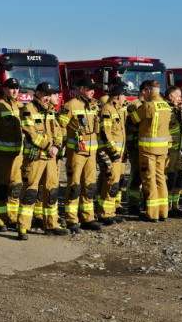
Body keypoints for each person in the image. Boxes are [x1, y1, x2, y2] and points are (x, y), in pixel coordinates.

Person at [19, 82, 68, 237]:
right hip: (36, 159)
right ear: (38, 93)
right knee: (31, 192)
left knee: (52, 191)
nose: (47, 97)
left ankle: (51, 224)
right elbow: (31, 133)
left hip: (51, 159)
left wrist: (57, 146)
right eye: (45, 94)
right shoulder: (28, 110)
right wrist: (49, 146)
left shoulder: (51, 111)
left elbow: (58, 132)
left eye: (49, 94)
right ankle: (23, 227)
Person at [60, 79, 103, 232]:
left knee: (90, 186)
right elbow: (61, 127)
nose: (93, 92)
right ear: (81, 88)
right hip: (76, 154)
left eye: (94, 89)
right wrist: (61, 149)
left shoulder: (94, 105)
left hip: (91, 154)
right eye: (90, 89)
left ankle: (88, 218)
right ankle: (71, 220)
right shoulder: (70, 105)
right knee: (74, 187)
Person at [131, 80, 172, 222]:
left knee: (149, 179)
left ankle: (152, 214)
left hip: (148, 150)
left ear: (148, 91)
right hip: (163, 150)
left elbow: (133, 119)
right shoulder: (166, 105)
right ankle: (163, 212)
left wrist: (132, 109)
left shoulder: (148, 106)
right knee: (161, 179)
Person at [0, 78, 24, 233]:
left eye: (17, 88)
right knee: (1, 186)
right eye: (11, 88)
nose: (15, 91)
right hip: (1, 155)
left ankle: (13, 217)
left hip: (18, 155)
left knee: (16, 186)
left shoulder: (22, 107)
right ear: (4, 89)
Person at [95, 84, 127, 224]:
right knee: (110, 182)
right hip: (110, 153)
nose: (125, 99)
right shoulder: (108, 109)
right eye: (124, 96)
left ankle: (110, 212)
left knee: (114, 183)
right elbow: (106, 133)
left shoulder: (117, 109)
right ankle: (104, 214)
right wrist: (113, 152)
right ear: (119, 96)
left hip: (117, 155)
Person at [165, 86, 182, 216]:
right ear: (171, 96)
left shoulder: (178, 111)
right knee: (169, 177)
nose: (180, 99)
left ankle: (175, 205)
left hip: (178, 150)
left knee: (178, 178)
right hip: (169, 150)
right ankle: (167, 207)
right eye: (178, 96)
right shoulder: (166, 110)